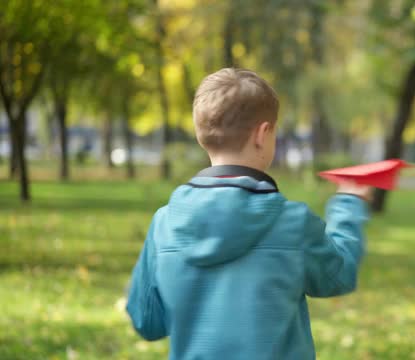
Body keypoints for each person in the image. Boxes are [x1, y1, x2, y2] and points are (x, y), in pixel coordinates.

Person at [126, 68, 371, 360]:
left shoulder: (164, 224)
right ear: (262, 134)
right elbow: (338, 274)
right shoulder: (292, 223)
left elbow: (148, 321)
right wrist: (348, 204)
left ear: (200, 133)